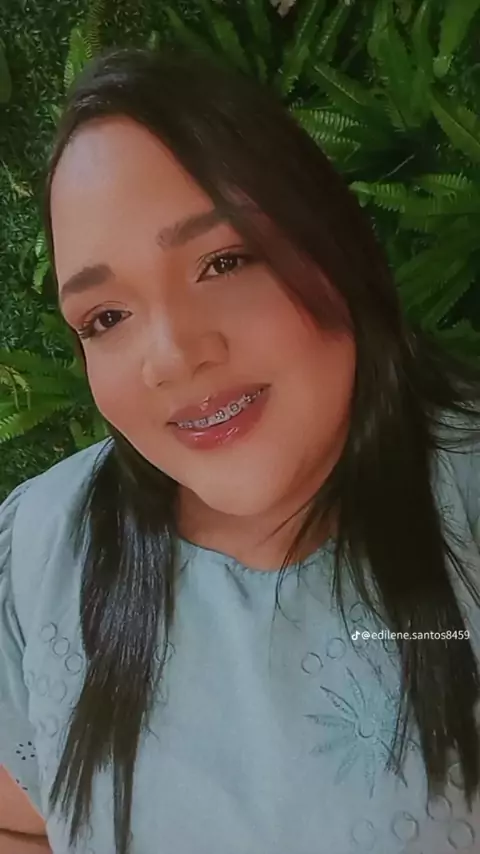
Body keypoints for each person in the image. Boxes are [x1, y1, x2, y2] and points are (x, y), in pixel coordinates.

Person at [0, 44, 479, 854]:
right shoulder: (47, 551)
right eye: (106, 318)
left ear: (331, 241)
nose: (170, 358)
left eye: (222, 262)